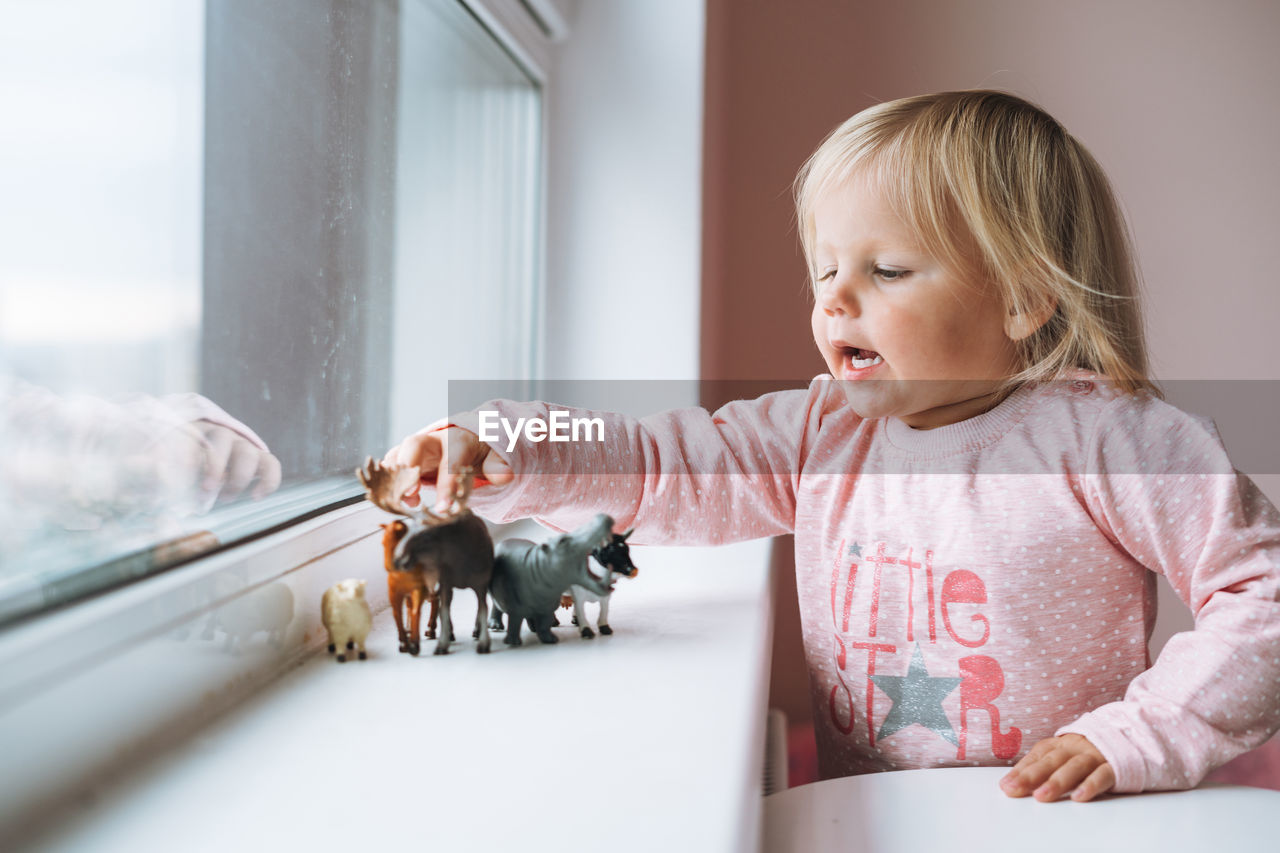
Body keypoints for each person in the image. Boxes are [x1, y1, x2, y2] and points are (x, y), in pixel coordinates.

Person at [381, 91, 1280, 801]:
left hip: (1064, 818)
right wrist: (508, 443)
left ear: (1023, 297)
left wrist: (1142, 733)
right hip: (875, 815)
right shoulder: (824, 430)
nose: (835, 300)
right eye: (825, 270)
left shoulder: (1111, 441)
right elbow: (662, 464)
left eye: (885, 271)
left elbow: (1263, 591)